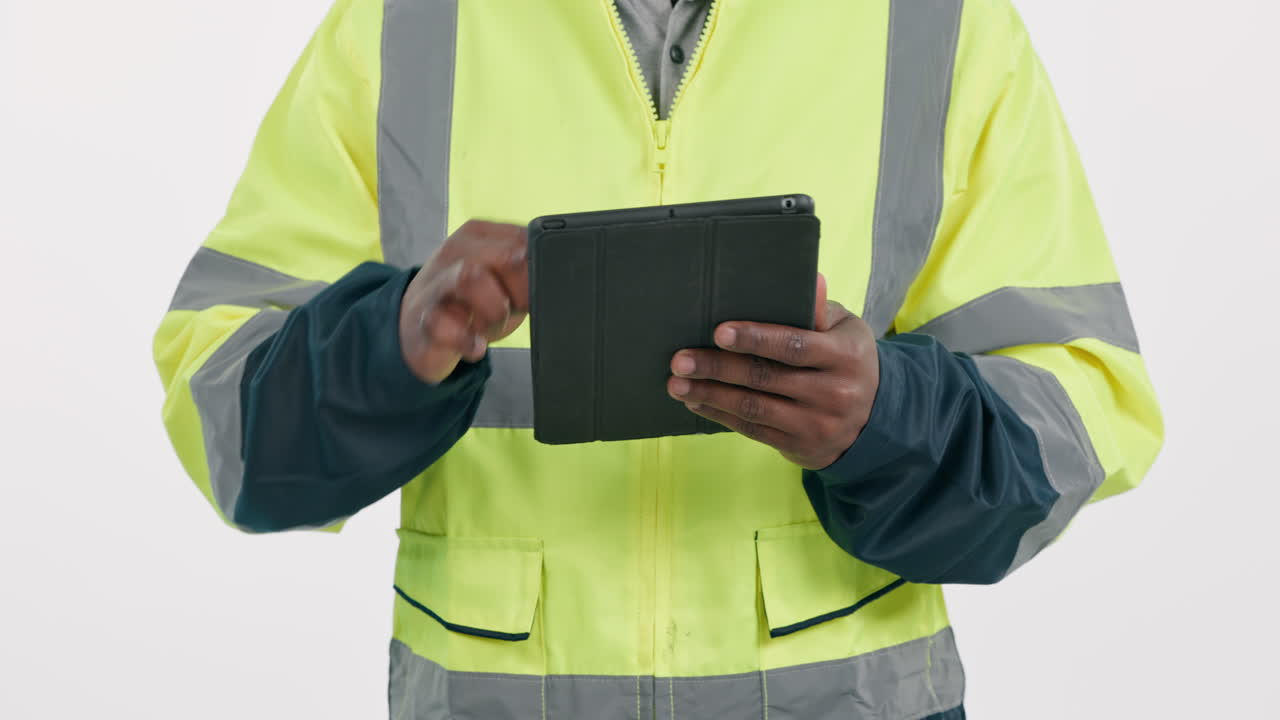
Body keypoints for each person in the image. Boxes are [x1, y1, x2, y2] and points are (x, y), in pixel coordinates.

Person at [153, 0, 1164, 717]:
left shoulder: (935, 21)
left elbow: (1080, 414)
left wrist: (887, 418)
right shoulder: (403, 21)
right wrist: (387, 346)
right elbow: (225, 422)